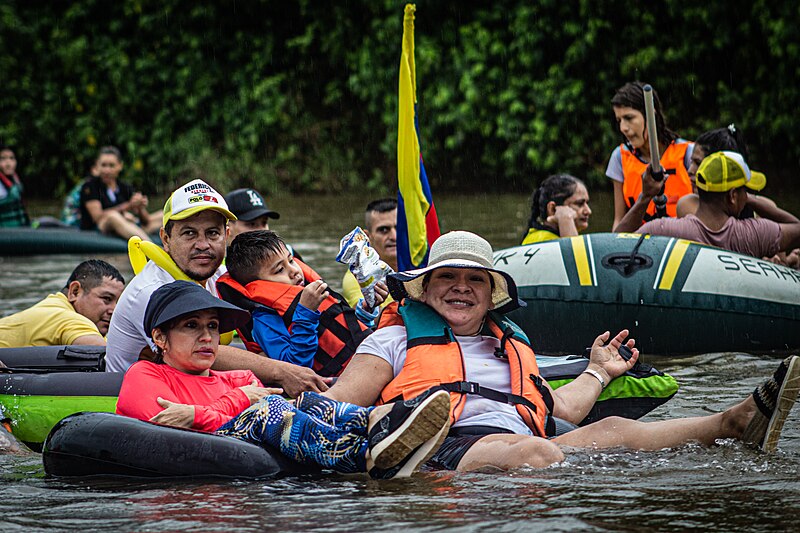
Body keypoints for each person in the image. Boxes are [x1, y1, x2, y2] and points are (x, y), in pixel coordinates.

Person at [322, 231, 800, 471]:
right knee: (535, 451)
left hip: (524, 444)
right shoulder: (394, 337)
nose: (461, 288)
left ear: (492, 296)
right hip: (438, 448)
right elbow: (341, 404)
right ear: (425, 290)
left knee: (611, 429)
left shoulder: (513, 346)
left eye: (475, 280)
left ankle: (733, 423)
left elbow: (562, 409)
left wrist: (598, 370)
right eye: (447, 277)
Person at [115, 280, 451, 479]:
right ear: (160, 338)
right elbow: (157, 431)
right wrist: (240, 401)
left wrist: (198, 414)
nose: (207, 336)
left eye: (213, 326)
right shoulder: (144, 374)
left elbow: (204, 418)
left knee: (300, 403)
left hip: (253, 465)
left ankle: (379, 421)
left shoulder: (240, 377)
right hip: (193, 475)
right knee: (265, 410)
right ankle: (366, 456)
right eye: (192, 326)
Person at [104, 179, 328, 397]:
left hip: (195, 383)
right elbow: (197, 350)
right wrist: (282, 372)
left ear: (227, 235)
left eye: (212, 233)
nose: (203, 245)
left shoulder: (221, 277)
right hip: (136, 396)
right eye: (189, 233)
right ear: (166, 238)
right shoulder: (151, 290)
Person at [217, 230, 382, 376]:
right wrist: (305, 315)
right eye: (280, 270)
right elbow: (294, 369)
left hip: (367, 359)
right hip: (342, 379)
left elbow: (343, 332)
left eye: (291, 261)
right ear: (256, 285)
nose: (294, 270)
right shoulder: (264, 320)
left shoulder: (308, 294)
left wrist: (366, 310)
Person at [615, 152, 800, 259]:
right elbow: (797, 228)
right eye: (745, 191)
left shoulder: (666, 229)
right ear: (733, 195)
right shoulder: (752, 235)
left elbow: (614, 243)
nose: (748, 196)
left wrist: (645, 196)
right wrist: (750, 199)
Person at [606, 82, 694, 230]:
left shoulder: (688, 153)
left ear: (651, 115)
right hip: (642, 244)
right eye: (619, 121)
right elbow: (618, 221)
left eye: (629, 118)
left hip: (683, 241)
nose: (623, 128)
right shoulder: (619, 157)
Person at [0, 260, 124, 347]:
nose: (114, 310)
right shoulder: (64, 318)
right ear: (75, 291)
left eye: (118, 304)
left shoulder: (52, 308)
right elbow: (110, 359)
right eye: (107, 299)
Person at [79, 146, 160, 241]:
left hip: (125, 225)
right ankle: (149, 246)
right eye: (103, 165)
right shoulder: (89, 186)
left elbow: (146, 221)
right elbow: (97, 217)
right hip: (98, 228)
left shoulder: (124, 187)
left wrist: (140, 207)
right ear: (97, 165)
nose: (107, 170)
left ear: (120, 166)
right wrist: (128, 206)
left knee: (164, 214)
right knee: (113, 216)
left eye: (111, 166)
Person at [677, 124, 754, 219]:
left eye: (698, 163)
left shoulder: (755, 207)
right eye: (691, 162)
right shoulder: (688, 204)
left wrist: (743, 197)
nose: (690, 171)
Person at [342, 198, 398, 309]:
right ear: (368, 236)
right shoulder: (357, 278)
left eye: (399, 228)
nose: (394, 237)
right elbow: (365, 321)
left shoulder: (422, 264)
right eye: (384, 230)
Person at [521, 174, 591, 244]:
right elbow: (577, 254)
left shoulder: (544, 236)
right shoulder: (544, 241)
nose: (588, 211)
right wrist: (566, 220)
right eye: (579, 203)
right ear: (552, 209)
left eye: (587, 203)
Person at [0, 145, 30, 227]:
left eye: (11, 158)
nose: (8, 163)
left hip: (19, 230)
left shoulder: (16, 182)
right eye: (3, 159)